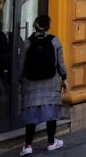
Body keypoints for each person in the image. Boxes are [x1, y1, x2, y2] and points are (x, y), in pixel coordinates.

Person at [18, 14, 67, 155]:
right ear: (48, 26)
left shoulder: (28, 42)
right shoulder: (55, 41)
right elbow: (60, 63)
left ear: (35, 26)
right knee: (51, 113)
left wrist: (20, 80)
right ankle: (51, 142)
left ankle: (27, 146)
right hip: (50, 83)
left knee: (31, 114)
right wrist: (64, 78)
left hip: (31, 83)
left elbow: (22, 64)